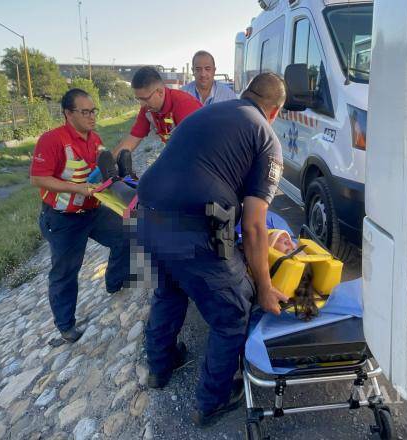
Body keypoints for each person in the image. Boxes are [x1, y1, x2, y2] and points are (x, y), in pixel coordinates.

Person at [135, 73, 289, 427]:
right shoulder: (266, 138)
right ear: (275, 110)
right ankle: (212, 402)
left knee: (170, 290)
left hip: (146, 216)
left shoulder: (206, 114)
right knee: (233, 312)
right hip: (193, 228)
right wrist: (264, 289)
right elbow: (253, 226)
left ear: (246, 93)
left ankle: (160, 366)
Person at [30, 88, 131, 344]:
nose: (91, 116)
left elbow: (102, 164)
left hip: (93, 211)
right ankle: (65, 326)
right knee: (65, 272)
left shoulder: (94, 138)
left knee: (128, 233)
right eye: (84, 112)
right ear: (68, 113)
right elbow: (38, 178)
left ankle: (115, 282)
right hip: (63, 219)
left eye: (93, 111)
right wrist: (76, 188)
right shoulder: (52, 140)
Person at [114, 66, 202, 154]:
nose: (142, 104)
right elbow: (133, 138)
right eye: (138, 99)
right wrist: (108, 164)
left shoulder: (184, 105)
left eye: (145, 98)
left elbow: (194, 148)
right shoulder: (148, 109)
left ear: (160, 92)